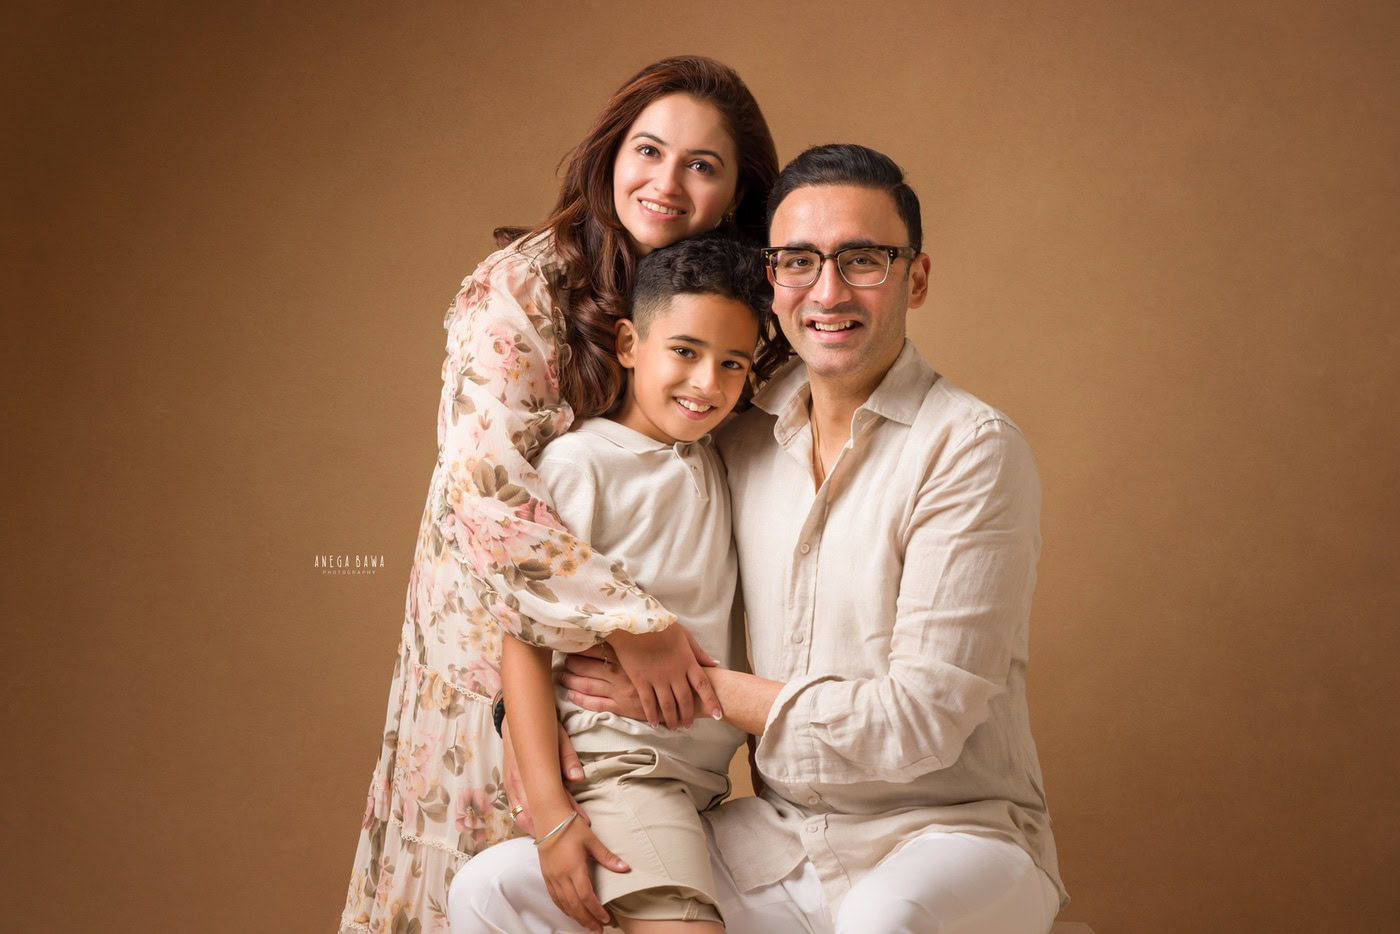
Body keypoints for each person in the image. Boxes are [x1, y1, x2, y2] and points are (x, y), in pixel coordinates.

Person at [447, 144, 1068, 934]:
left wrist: (686, 685)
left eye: (864, 259)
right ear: (772, 281)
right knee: (493, 889)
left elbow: (917, 726)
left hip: (952, 832)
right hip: (781, 840)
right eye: (800, 261)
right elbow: (578, 561)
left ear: (915, 277)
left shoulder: (970, 448)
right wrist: (531, 720)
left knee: (883, 919)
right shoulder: (733, 436)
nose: (829, 290)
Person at [338, 57, 779, 934]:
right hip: (498, 649)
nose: (666, 182)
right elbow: (487, 491)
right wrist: (635, 624)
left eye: (702, 165)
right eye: (648, 151)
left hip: (644, 727)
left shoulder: (722, 309)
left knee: (601, 888)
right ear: (611, 152)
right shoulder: (521, 286)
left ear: (734, 192)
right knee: (496, 881)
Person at [503, 235, 773, 934]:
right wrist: (553, 815)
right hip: (620, 767)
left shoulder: (714, 456)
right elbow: (524, 640)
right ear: (629, 343)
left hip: (702, 780)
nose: (707, 383)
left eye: (733, 363)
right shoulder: (582, 463)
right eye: (684, 351)